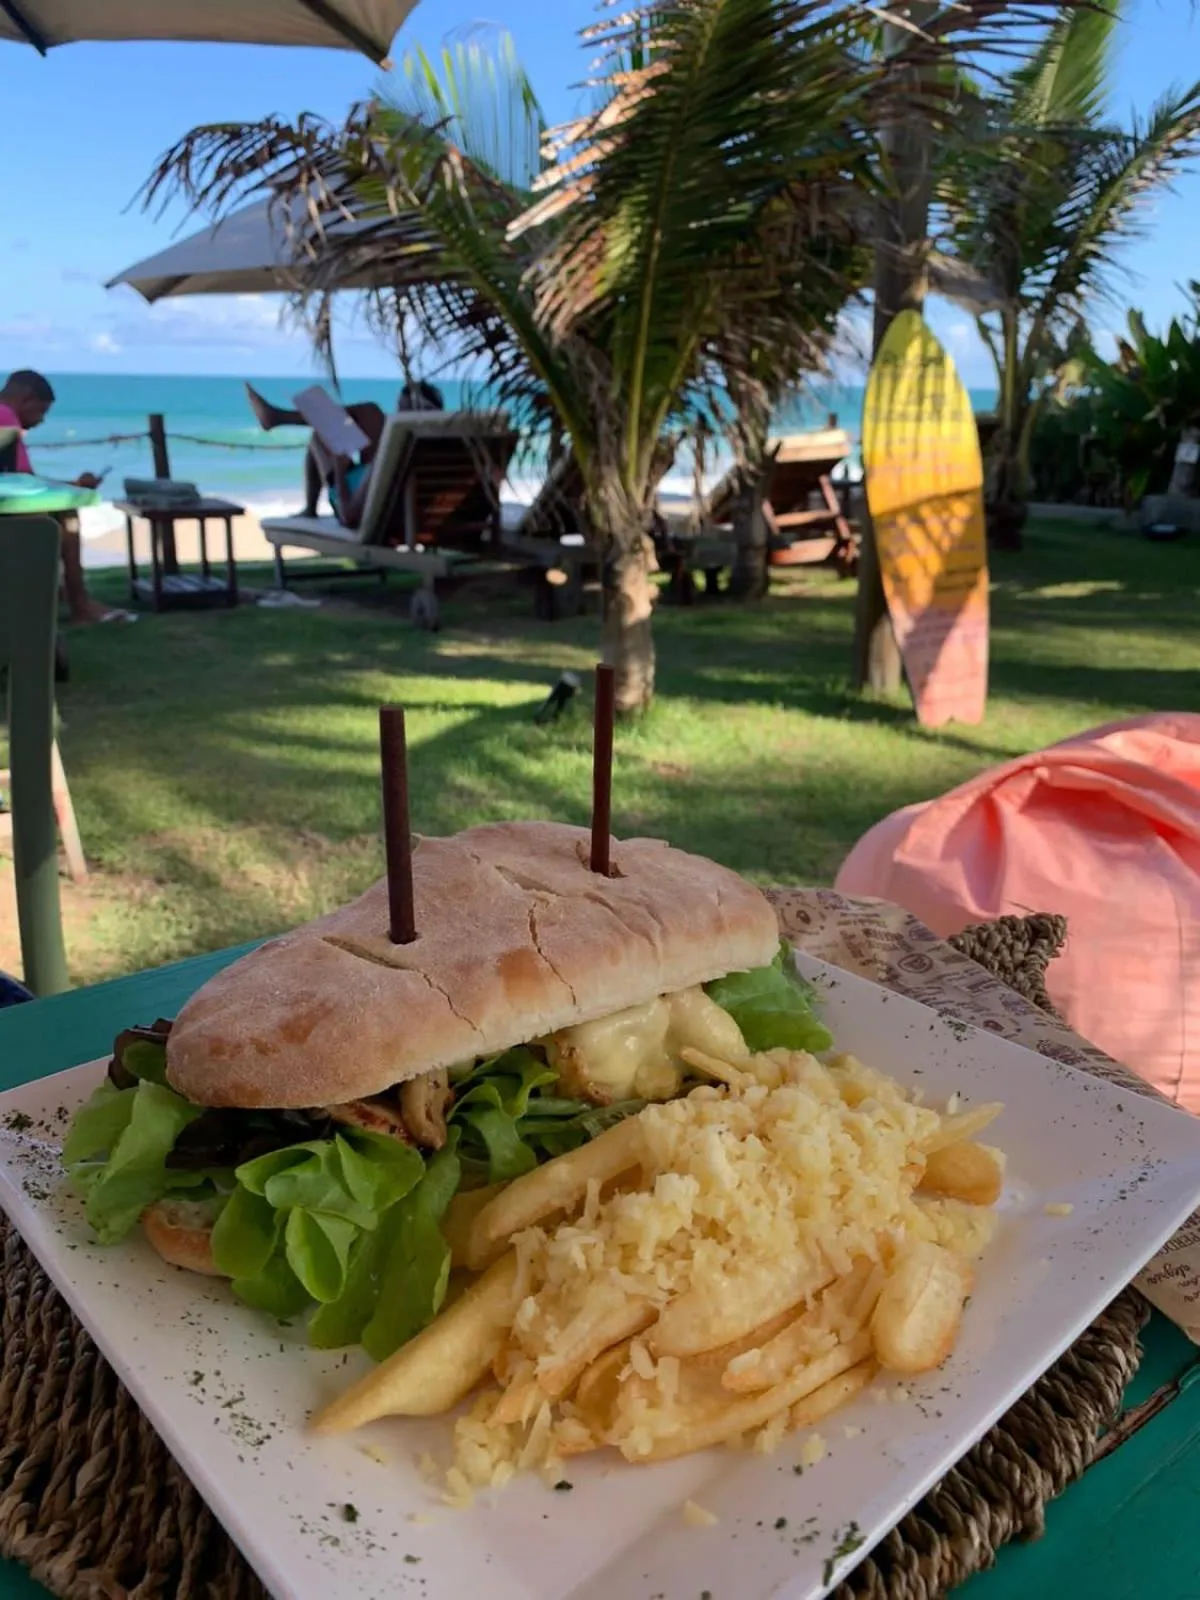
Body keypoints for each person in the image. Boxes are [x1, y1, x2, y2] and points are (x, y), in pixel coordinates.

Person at [0, 369, 127, 624]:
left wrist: (74, 486)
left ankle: (64, 597)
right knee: (67, 517)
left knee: (61, 511)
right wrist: (74, 489)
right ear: (26, 398)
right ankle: (80, 604)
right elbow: (20, 484)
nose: (41, 422)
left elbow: (22, 481)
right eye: (41, 412)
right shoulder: (5, 416)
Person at [246, 379, 444, 527]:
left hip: (353, 499)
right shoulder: (437, 453)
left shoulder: (392, 461)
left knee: (318, 435)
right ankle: (277, 417)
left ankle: (278, 418)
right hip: (378, 491)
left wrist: (339, 471)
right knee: (370, 412)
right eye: (398, 409)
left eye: (403, 410)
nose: (396, 415)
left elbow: (349, 516)